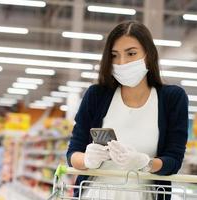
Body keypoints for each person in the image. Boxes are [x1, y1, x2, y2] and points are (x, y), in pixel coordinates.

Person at [66, 20, 188, 200]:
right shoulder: (97, 95)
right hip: (95, 193)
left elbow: (173, 160)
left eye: (131, 53)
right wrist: (87, 160)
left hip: (144, 195)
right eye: (114, 55)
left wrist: (145, 163)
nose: (122, 62)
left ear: (148, 54)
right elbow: (72, 154)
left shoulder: (172, 98)